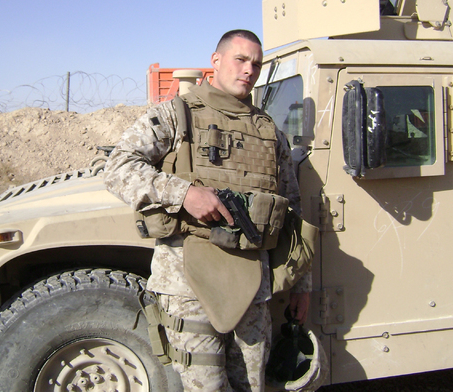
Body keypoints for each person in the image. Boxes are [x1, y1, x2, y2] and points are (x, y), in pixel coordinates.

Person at [104, 29, 311, 391]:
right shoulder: (177, 114)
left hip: (252, 285)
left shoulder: (268, 131)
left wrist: (301, 285)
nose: (249, 70)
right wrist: (184, 194)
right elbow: (118, 168)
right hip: (188, 282)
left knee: (252, 386)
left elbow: (291, 211)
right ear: (216, 61)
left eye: (256, 64)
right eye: (240, 59)